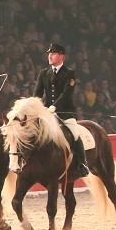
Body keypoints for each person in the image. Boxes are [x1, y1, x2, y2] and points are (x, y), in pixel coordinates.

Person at [33, 42, 89, 178]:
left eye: (53, 53)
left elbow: (66, 94)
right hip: (47, 113)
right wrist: (35, 107)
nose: (49, 56)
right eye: (49, 54)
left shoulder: (69, 73)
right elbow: (37, 94)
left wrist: (54, 107)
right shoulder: (44, 73)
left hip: (65, 112)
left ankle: (83, 163)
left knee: (74, 134)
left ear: (61, 56)